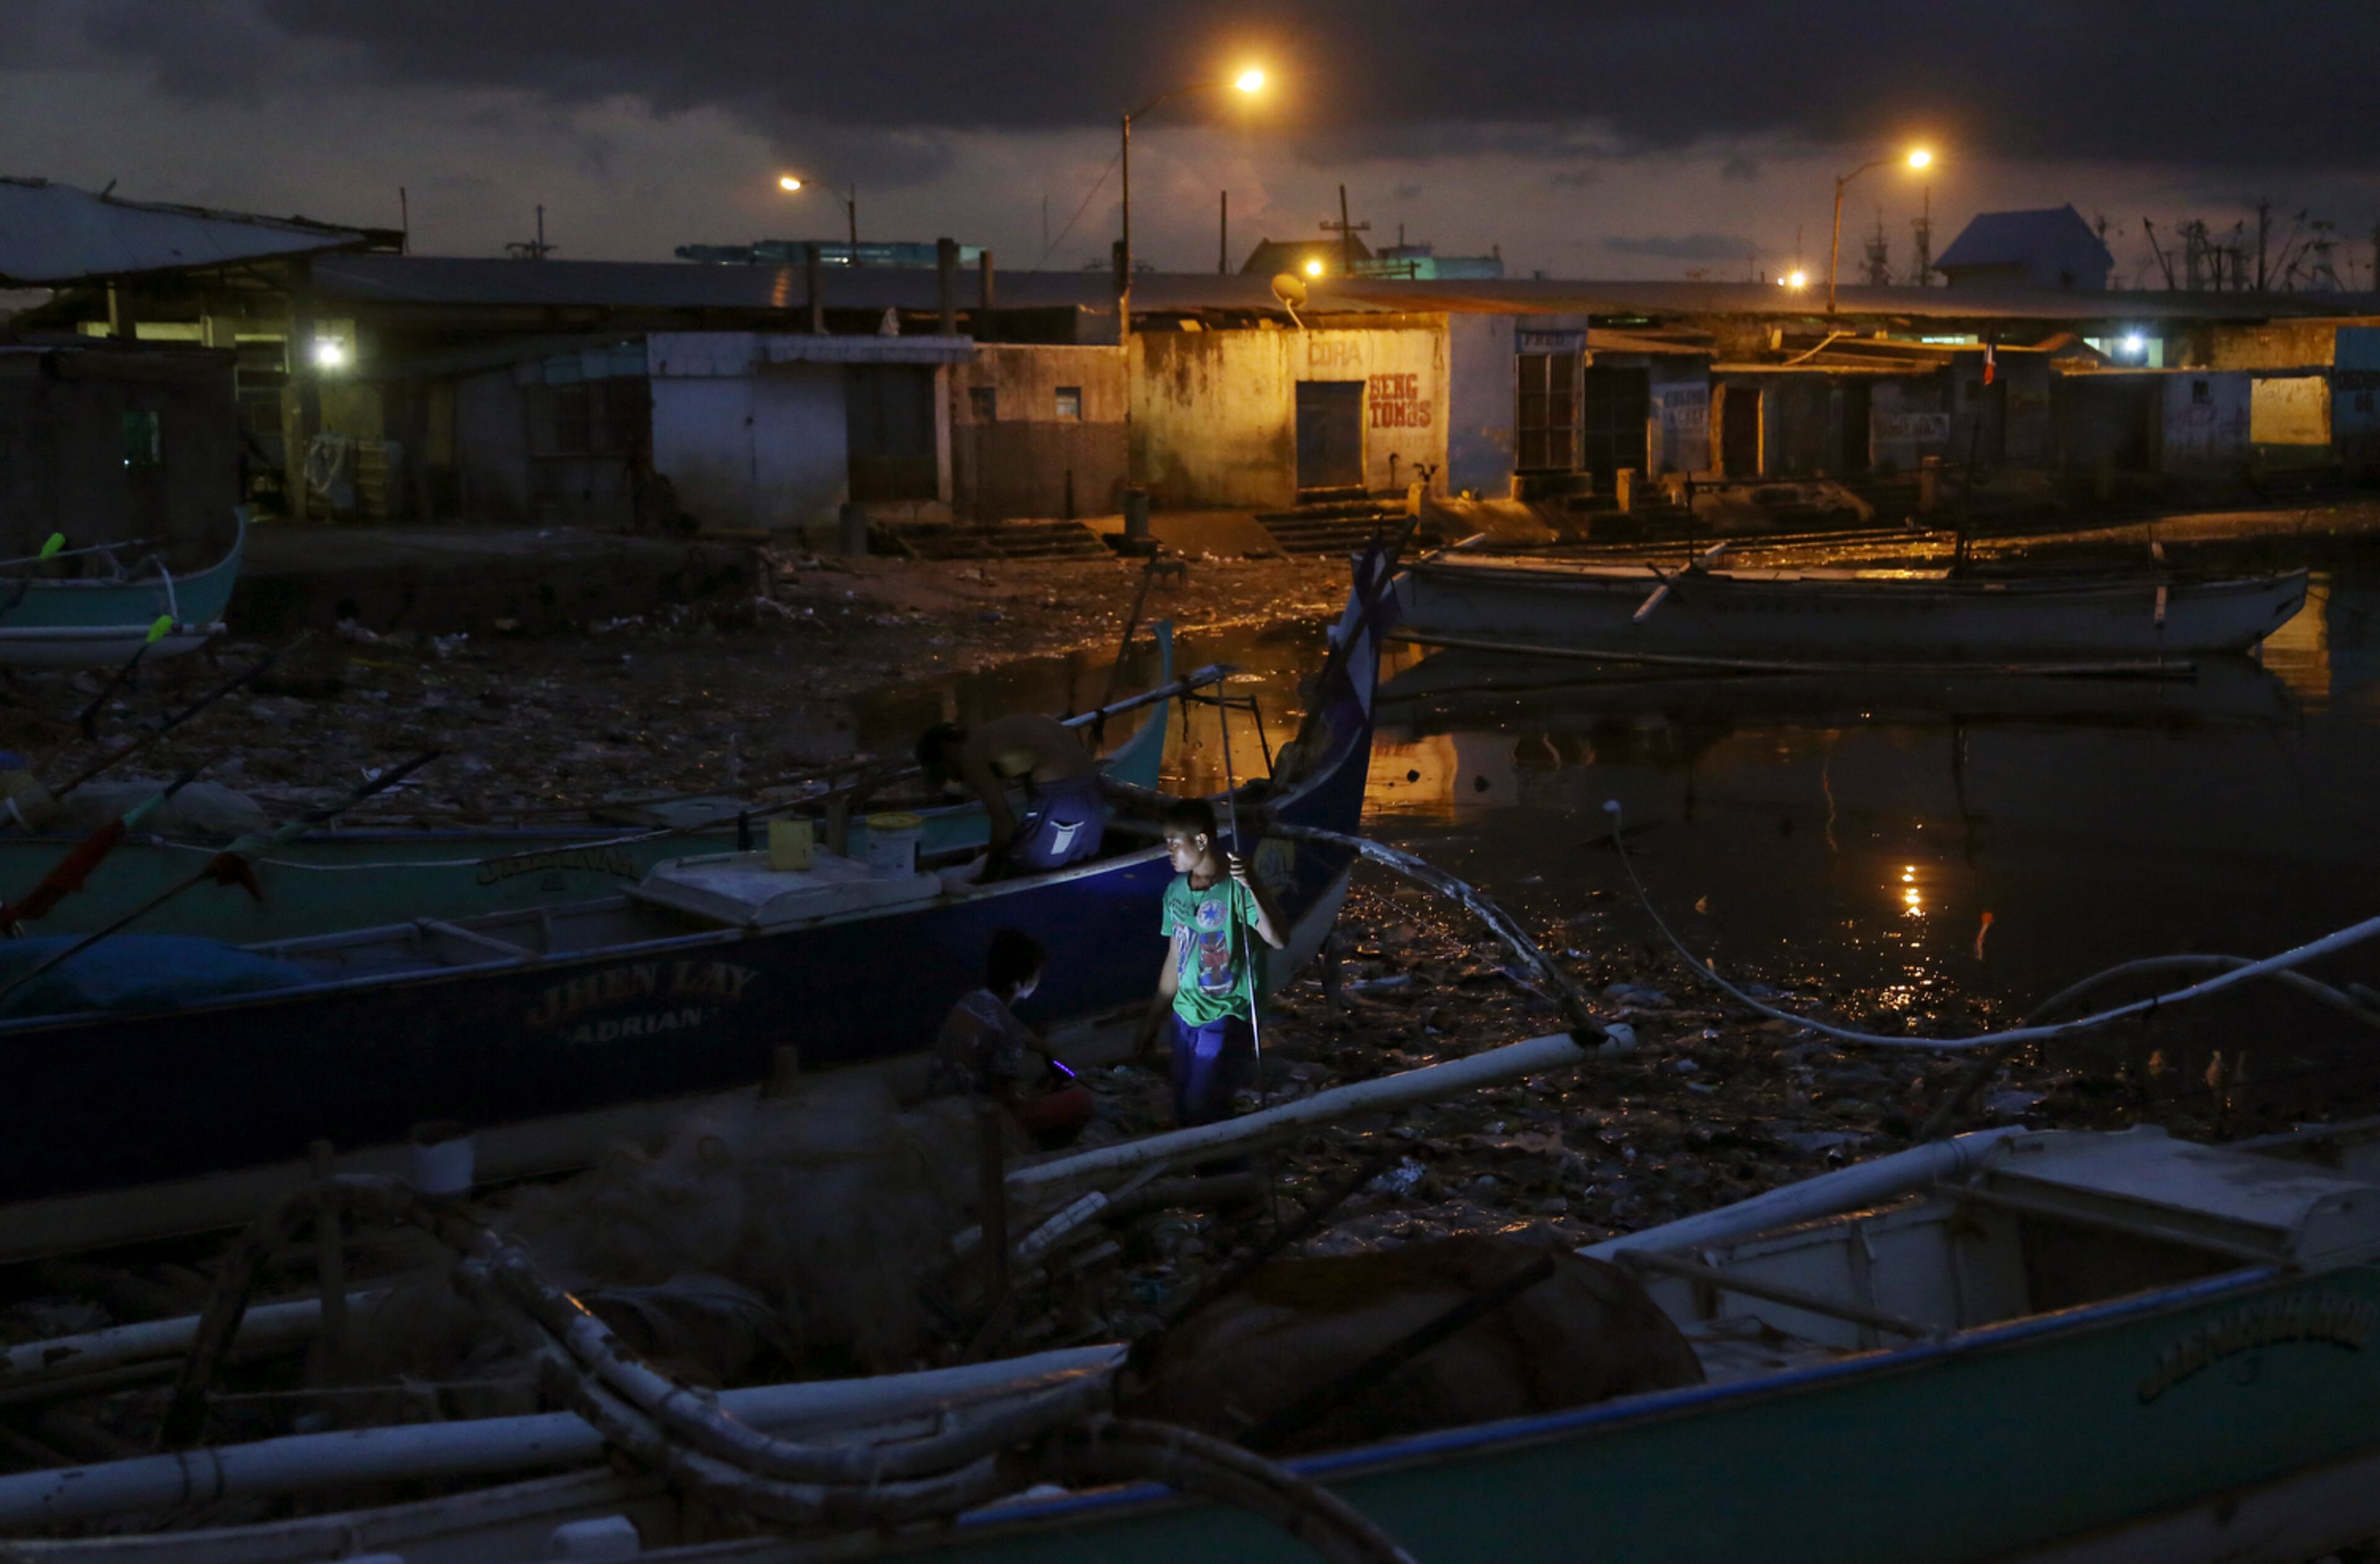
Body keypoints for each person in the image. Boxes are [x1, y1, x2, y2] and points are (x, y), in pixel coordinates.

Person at [1132, 797, 1287, 1129]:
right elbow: (1176, 956)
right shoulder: (1175, 891)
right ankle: (1208, 1175)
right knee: (1184, 1107)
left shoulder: (1236, 886)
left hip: (1229, 1012)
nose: (1169, 852)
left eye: (1175, 843)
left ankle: (1233, 1175)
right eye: (1167, 844)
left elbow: (1278, 939)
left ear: (1201, 839)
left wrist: (1254, 884)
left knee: (1206, 1104)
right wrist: (1152, 1020)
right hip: (1185, 1013)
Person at [928, 928, 1093, 1149]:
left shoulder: (970, 1001)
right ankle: (1042, 1149)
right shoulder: (1010, 1033)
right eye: (1037, 975)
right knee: (1081, 1100)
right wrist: (1034, 1096)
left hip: (939, 1103)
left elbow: (1005, 1028)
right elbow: (1004, 1099)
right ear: (1019, 984)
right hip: (978, 1122)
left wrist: (1045, 1048)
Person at [915, 713, 1105, 874]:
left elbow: (1005, 824)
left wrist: (988, 877)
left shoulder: (968, 754)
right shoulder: (995, 735)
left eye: (946, 771)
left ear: (946, 749)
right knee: (1072, 863)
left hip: (1061, 795)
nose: (955, 778)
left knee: (1022, 869)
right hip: (1093, 791)